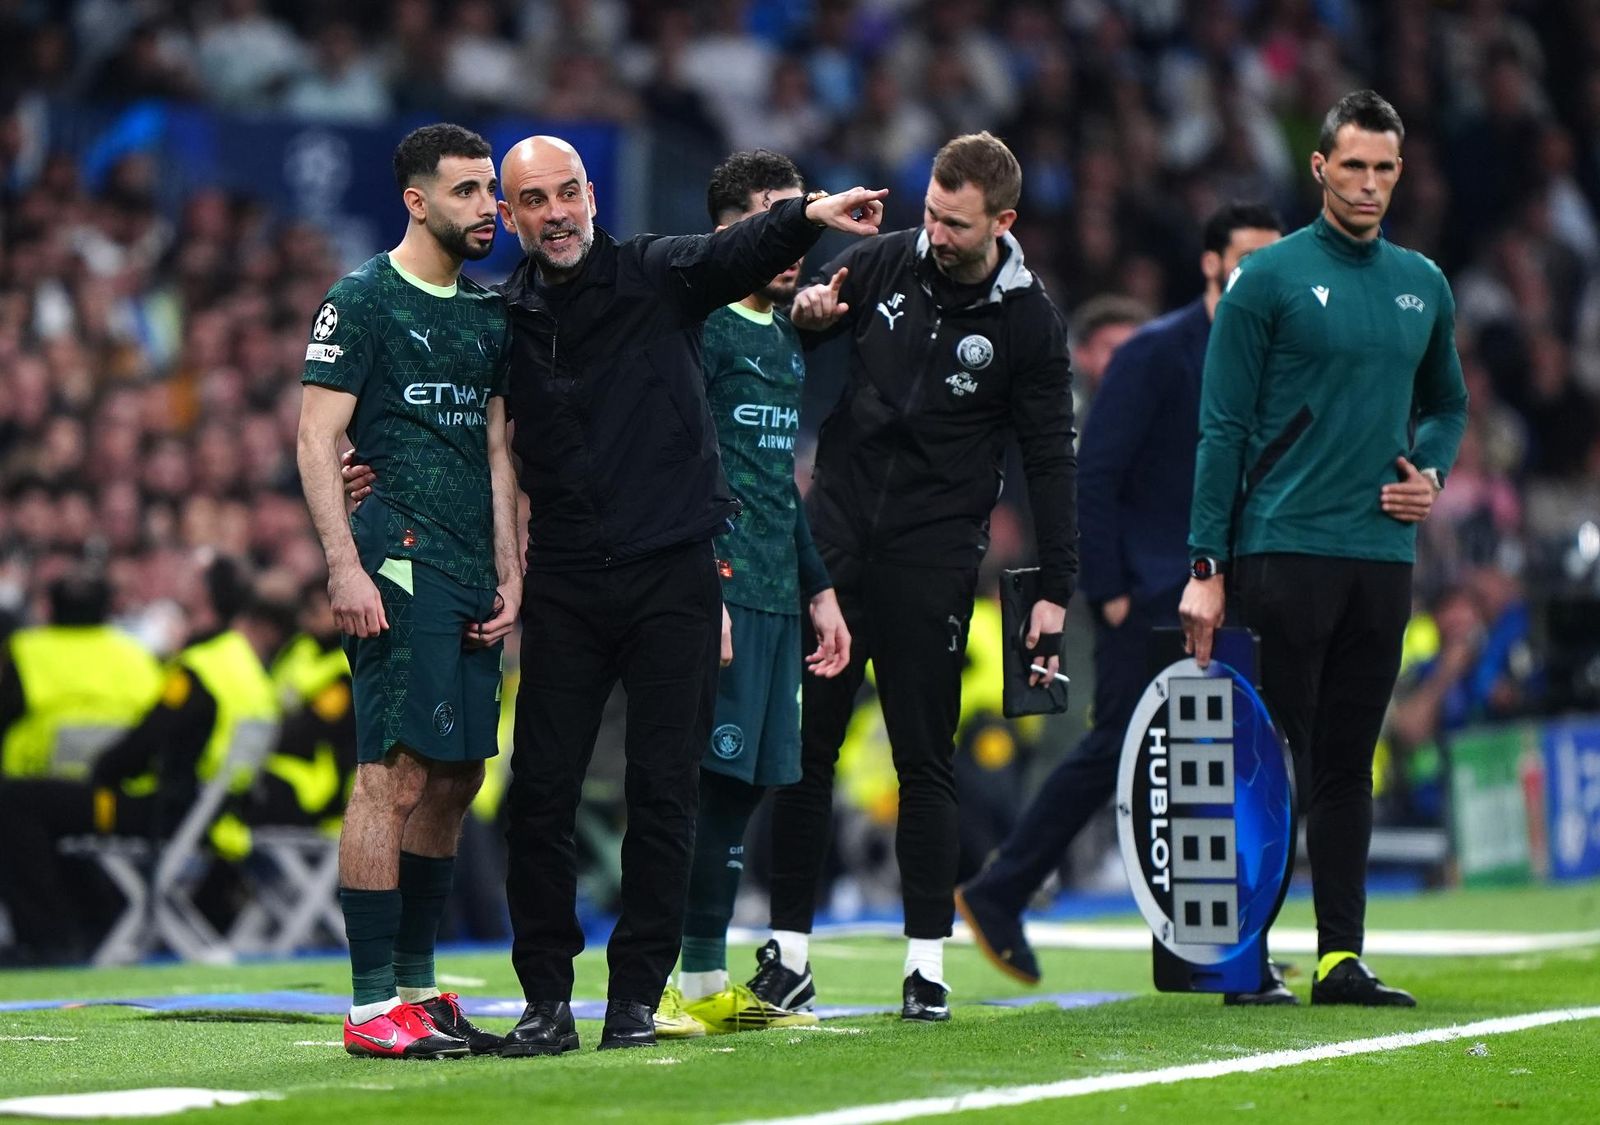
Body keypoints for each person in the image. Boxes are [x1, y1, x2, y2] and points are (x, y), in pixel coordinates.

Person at [460, 135, 881, 1054]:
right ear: (513, 215)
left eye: (568, 192)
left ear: (592, 196)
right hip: (567, 581)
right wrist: (365, 461)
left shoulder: (655, 272)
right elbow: (452, 416)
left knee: (664, 794)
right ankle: (544, 1001)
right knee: (539, 793)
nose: (557, 212)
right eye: (535, 200)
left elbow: (732, 251)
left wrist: (805, 217)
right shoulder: (504, 316)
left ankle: (634, 1000)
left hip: (673, 575)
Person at [753, 131, 1078, 1022]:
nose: (934, 231)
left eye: (955, 222)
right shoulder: (887, 260)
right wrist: (812, 322)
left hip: (934, 557)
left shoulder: (1029, 321)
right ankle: (788, 956)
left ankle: (926, 965)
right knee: (806, 753)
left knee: (923, 761)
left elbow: (1051, 459)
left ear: (1002, 223)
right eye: (931, 211)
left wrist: (1056, 585)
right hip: (836, 539)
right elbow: (796, 342)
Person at [1180, 91, 1468, 1008]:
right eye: (1354, 165)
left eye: (1386, 168)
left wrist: (1430, 471)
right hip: (1282, 551)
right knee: (1270, 763)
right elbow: (1220, 428)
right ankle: (1246, 958)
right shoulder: (1266, 280)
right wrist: (1206, 566)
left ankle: (1341, 957)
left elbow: (1449, 405)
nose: (1371, 184)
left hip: (1380, 557)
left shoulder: (1423, 282)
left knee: (1348, 763)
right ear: (1319, 167)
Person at [955, 202, 1284, 997]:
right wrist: (1105, 591)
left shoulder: (1263, 356)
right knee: (1125, 751)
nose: (1263, 277)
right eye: (1248, 259)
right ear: (1210, 263)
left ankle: (1200, 946)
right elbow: (1092, 476)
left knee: (1204, 761)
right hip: (1149, 594)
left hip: (1223, 594)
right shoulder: (1157, 352)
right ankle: (1004, 890)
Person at [297, 123, 520, 1060]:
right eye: (468, 192)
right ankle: (367, 1002)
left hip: (474, 568)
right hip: (399, 564)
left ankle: (419, 990)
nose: (488, 210)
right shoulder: (362, 299)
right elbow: (316, 440)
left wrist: (515, 568)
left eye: (490, 192)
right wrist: (346, 565)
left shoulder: (488, 313)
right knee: (391, 773)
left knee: (459, 776)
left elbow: (501, 448)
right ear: (416, 201)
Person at [662, 150, 851, 1036]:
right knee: (699, 784)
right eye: (779, 219)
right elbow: (686, 470)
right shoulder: (700, 329)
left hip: (778, 592)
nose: (796, 239)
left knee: (742, 792)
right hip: (721, 588)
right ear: (731, 229)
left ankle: (707, 979)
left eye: (801, 220)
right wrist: (707, 585)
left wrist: (820, 591)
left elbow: (775, 481)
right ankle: (667, 978)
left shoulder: (779, 337)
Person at [0, 555, 282, 965]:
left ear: (203, 593)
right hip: (211, 816)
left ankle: (52, 940)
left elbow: (141, 745)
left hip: (160, 813)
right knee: (49, 806)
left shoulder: (199, 668)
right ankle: (89, 925)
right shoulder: (241, 663)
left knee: (17, 803)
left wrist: (99, 774)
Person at [0, 569, 162, 781]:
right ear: (108, 607)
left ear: (49, 608)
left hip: (36, 788)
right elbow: (158, 722)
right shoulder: (137, 653)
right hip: (120, 793)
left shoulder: (26, 650)